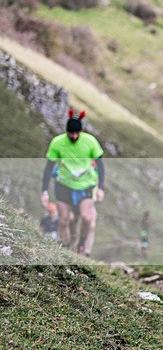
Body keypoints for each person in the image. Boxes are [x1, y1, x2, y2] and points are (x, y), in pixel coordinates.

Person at [40, 109, 106, 257]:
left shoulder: (90, 142)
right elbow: (48, 167)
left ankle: (82, 243)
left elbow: (101, 165)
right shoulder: (57, 143)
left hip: (85, 185)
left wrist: (100, 187)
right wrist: (44, 191)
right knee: (64, 220)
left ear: (81, 131)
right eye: (71, 133)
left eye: (77, 133)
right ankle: (64, 249)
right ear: (66, 131)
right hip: (63, 185)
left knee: (87, 217)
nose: (74, 136)